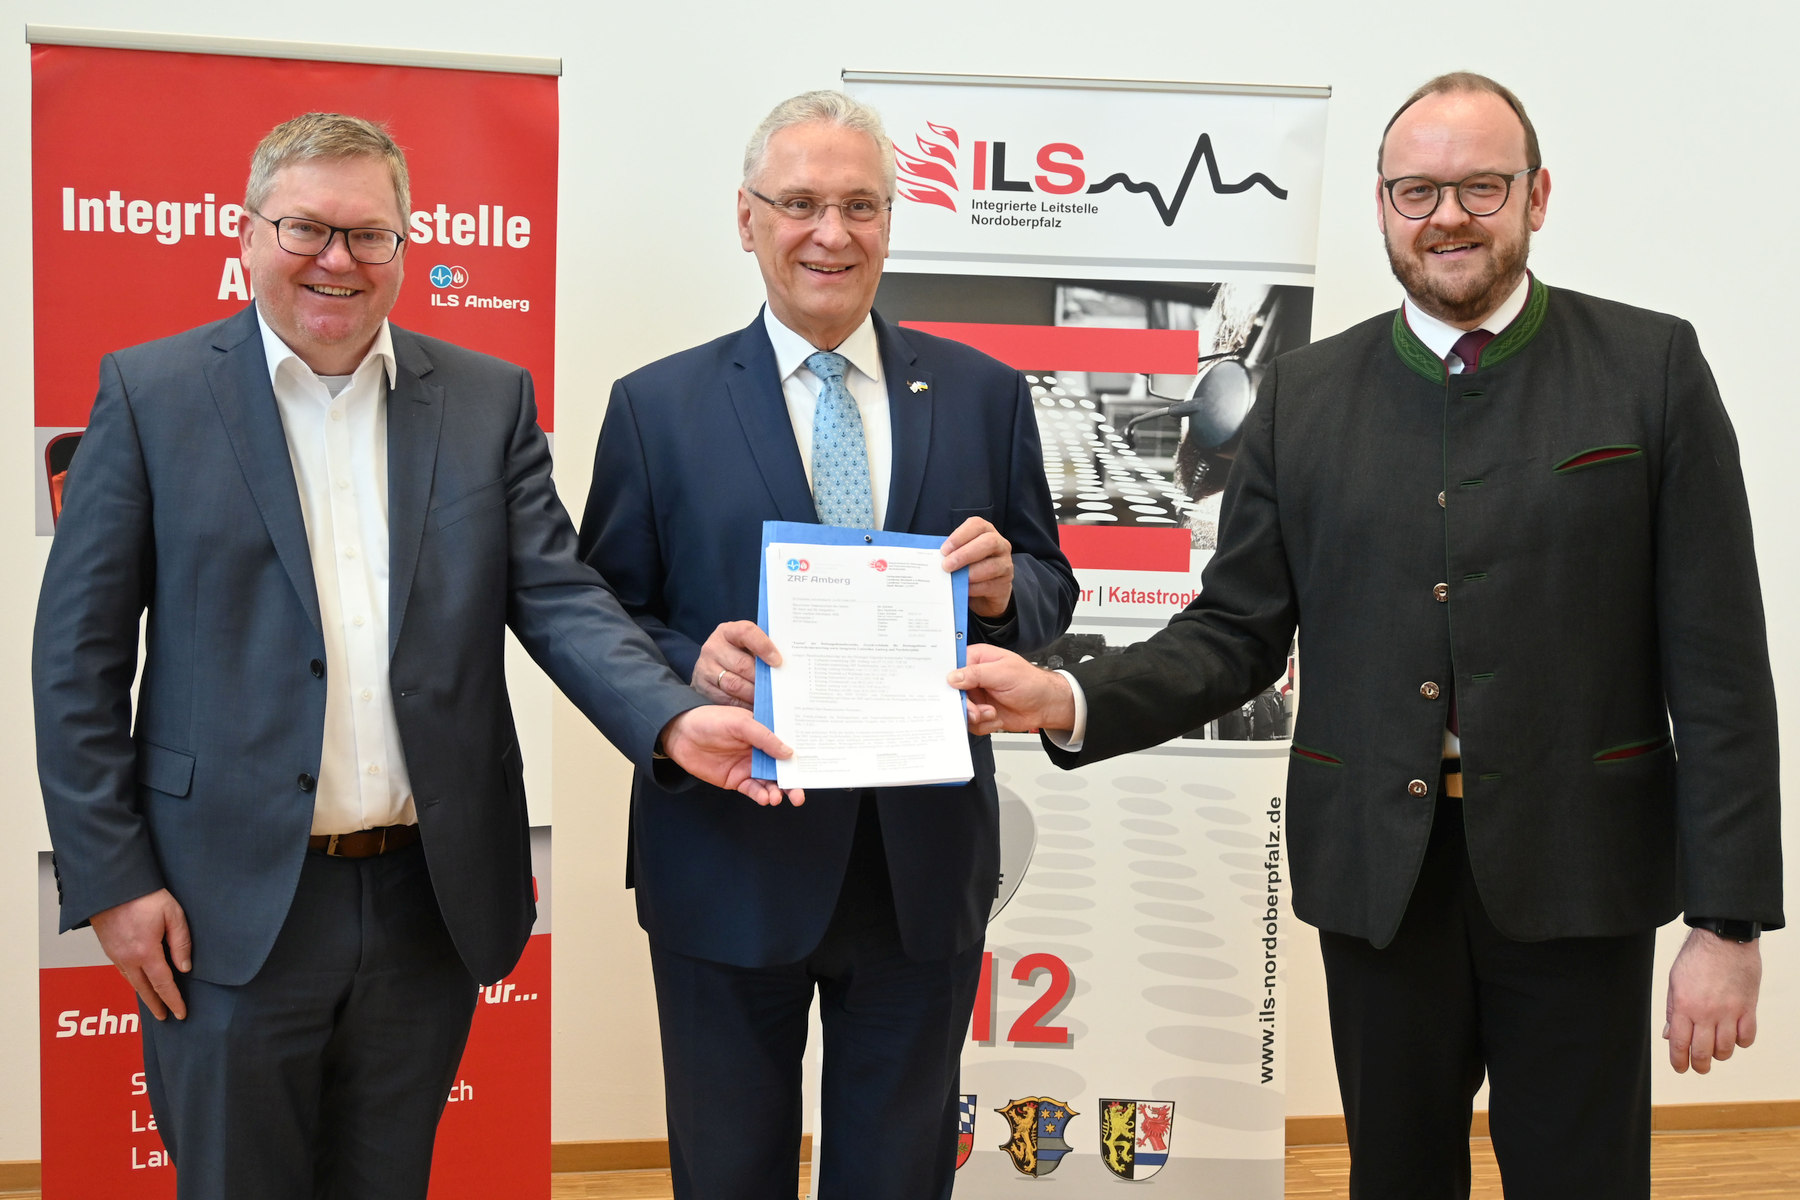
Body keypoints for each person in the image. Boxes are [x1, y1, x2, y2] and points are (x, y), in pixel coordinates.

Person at [949, 73, 1782, 1199]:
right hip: (1377, 880)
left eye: (1481, 186)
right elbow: (1235, 634)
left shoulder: (1652, 370)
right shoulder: (1302, 395)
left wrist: (1727, 922)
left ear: (1537, 196)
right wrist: (1072, 698)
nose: (1448, 214)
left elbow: (1721, 667)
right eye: (1417, 190)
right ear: (1383, 207)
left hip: (1581, 870)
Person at [32, 112, 795, 1200]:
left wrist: (671, 718)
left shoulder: (485, 401)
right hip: (224, 903)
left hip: (426, 901)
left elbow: (563, 597)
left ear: (405, 246)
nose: (338, 260)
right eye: (307, 229)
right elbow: (76, 658)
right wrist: (113, 874)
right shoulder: (153, 397)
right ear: (248, 235)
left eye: (369, 234)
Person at [576, 90, 1076, 1199]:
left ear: (891, 221)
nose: (831, 232)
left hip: (920, 867)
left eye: (861, 204)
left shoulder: (986, 394)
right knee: (727, 1170)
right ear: (745, 218)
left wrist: (1002, 596)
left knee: (898, 1175)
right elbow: (599, 611)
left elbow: (1049, 588)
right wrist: (691, 664)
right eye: (799, 202)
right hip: (726, 856)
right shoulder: (657, 407)